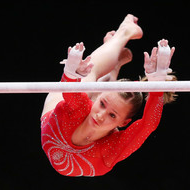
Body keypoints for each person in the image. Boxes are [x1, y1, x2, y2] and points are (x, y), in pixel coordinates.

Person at [40, 14, 176, 176]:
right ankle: (124, 33)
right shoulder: (80, 107)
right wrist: (70, 72)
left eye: (112, 115)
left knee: (85, 84)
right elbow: (69, 89)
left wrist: (157, 87)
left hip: (57, 126)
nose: (100, 115)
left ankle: (113, 61)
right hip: (62, 114)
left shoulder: (111, 148)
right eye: (102, 104)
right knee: (89, 76)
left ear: (124, 122)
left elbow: (148, 125)